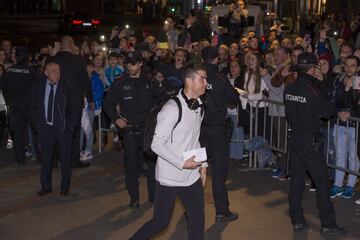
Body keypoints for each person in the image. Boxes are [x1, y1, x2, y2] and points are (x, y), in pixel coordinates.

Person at [130, 66, 208, 240]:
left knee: (197, 219)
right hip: (170, 178)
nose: (206, 83)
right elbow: (157, 144)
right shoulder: (172, 109)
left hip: (191, 177)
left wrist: (203, 164)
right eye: (202, 78)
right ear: (189, 81)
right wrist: (182, 163)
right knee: (160, 223)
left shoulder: (199, 106)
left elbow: (194, 139)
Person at [284, 53, 345, 236]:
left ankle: (297, 219)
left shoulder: (290, 89)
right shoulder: (312, 90)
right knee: (323, 183)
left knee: (296, 181)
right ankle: (328, 223)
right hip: (309, 141)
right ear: (312, 68)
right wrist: (321, 84)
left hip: (294, 139)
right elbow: (328, 111)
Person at [104, 51, 158, 208]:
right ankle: (134, 197)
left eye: (133, 64)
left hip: (148, 131)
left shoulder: (150, 81)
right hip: (129, 131)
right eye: (127, 64)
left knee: (152, 165)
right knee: (131, 165)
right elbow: (108, 104)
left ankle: (153, 196)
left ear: (140, 64)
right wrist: (116, 118)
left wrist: (158, 119)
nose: (130, 67)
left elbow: (162, 99)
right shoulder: (119, 83)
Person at [200, 46, 239, 222]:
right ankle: (222, 210)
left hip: (198, 131)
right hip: (217, 131)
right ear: (216, 59)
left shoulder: (196, 77)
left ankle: (191, 209)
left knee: (195, 170)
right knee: (219, 172)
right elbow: (234, 100)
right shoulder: (221, 78)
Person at [30, 62, 81, 197]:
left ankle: (65, 188)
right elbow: (32, 107)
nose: (57, 73)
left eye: (58, 71)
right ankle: (45, 187)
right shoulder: (38, 87)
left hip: (63, 128)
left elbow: (76, 107)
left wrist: (70, 126)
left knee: (65, 160)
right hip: (46, 128)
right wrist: (37, 125)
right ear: (45, 73)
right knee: (46, 160)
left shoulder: (67, 86)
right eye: (53, 71)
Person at [47, 36, 94, 168]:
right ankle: (73, 160)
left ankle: (54, 159)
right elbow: (85, 80)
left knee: (56, 128)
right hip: (74, 101)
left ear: (61, 46)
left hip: (57, 100)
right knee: (74, 130)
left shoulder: (54, 59)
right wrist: (90, 99)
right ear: (72, 45)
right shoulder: (78, 60)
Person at [0, 46, 38, 165]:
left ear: (16, 57)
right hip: (30, 106)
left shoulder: (9, 71)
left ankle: (20, 160)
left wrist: (9, 98)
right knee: (35, 131)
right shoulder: (32, 71)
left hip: (15, 106)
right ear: (27, 58)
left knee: (18, 134)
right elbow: (39, 88)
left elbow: (2, 87)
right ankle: (39, 157)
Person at [329, 55, 360, 199]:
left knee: (353, 157)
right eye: (347, 65)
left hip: (355, 125)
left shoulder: (359, 81)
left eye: (353, 65)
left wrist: (350, 113)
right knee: (339, 155)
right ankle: (338, 184)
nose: (349, 68)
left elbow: (357, 105)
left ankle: (350, 185)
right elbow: (332, 99)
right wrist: (338, 112)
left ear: (357, 67)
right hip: (339, 123)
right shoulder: (338, 79)